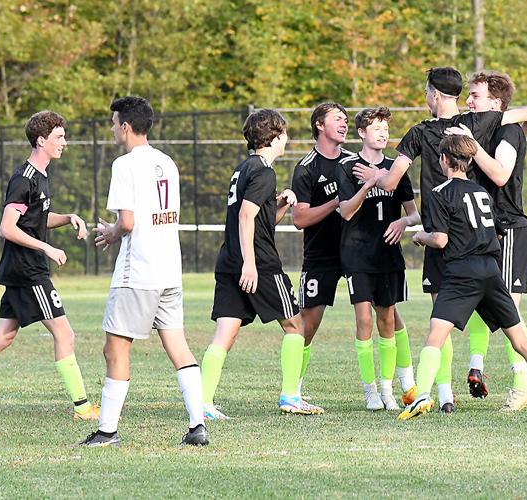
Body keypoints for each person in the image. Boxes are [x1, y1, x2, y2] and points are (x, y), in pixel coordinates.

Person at [353, 66, 527, 413]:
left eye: (427, 92)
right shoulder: (477, 123)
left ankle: (444, 395)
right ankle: (525, 384)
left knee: (439, 319)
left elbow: (392, 182)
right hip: (473, 236)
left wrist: (373, 175)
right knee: (500, 317)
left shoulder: (419, 132)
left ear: (434, 95)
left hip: (440, 234)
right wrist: (502, 115)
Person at [397, 135, 527, 420]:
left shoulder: (440, 192)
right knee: (521, 341)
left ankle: (423, 395)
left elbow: (440, 240)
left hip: (462, 272)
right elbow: (496, 231)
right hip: (491, 271)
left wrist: (420, 236)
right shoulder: (481, 192)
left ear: (444, 160)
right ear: (468, 161)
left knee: (436, 335)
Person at [80, 96, 207, 447]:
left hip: (138, 272)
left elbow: (129, 222)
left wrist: (111, 232)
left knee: (115, 349)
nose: (111, 129)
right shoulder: (167, 162)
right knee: (178, 346)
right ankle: (198, 425)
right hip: (169, 270)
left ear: (124, 126)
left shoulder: (124, 165)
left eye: (113, 123)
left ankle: (107, 431)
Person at [199, 108, 317, 418]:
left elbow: (259, 219)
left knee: (225, 332)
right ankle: (290, 397)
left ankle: (203, 402)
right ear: (276, 137)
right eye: (285, 134)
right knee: (295, 326)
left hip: (228, 259)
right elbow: (245, 216)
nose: (287, 139)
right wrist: (250, 264)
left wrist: (279, 205)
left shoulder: (243, 168)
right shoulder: (265, 171)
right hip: (260, 263)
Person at [0, 110, 99, 422]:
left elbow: (35, 220)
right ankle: (82, 408)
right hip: (28, 269)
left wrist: (67, 218)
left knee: (4, 335)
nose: (65, 142)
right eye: (59, 137)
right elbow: (8, 227)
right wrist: (46, 247)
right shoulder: (23, 179)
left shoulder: (41, 177)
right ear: (41, 140)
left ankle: (82, 407)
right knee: (65, 333)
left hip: (22, 267)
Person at [456, 70, 527, 411]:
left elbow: (501, 174)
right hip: (487, 233)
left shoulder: (507, 129)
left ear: (496, 103)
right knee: (486, 307)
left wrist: (473, 147)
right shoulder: (475, 126)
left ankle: (526, 382)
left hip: (509, 230)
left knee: (509, 312)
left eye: (475, 95)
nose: (469, 101)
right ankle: (504, 372)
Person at [337, 107, 420, 410]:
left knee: (387, 319)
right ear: (361, 133)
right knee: (363, 319)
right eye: (377, 128)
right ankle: (369, 390)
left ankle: (388, 389)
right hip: (356, 254)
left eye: (386, 128)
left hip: (388, 256)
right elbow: (345, 211)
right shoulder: (349, 167)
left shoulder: (397, 168)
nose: (383, 133)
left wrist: (403, 222)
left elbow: (413, 213)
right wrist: (371, 182)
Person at [288, 103, 356, 406]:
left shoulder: (354, 161)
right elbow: (300, 218)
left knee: (387, 314)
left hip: (357, 253)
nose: (344, 123)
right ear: (319, 125)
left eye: (346, 119)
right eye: (337, 119)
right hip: (321, 254)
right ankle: (293, 389)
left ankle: (392, 389)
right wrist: (335, 203)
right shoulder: (306, 167)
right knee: (308, 323)